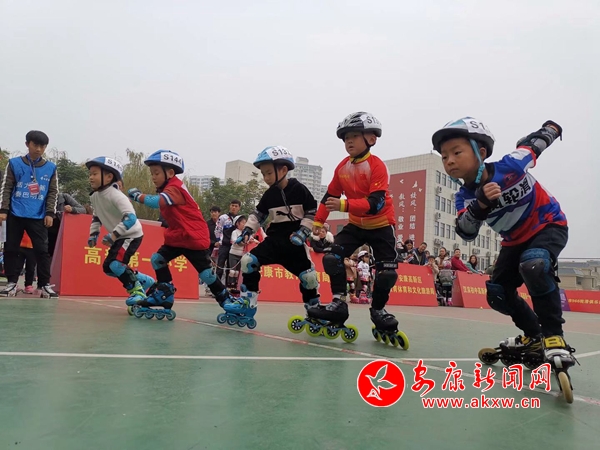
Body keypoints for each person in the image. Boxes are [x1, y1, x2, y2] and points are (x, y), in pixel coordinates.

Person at [432, 117, 575, 399]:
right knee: (497, 294)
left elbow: (533, 146)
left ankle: (553, 336)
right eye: (445, 156)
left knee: (534, 265)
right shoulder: (464, 197)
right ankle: (534, 336)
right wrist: (481, 204)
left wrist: (550, 130)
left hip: (548, 224)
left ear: (481, 152)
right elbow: (466, 231)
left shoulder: (510, 165)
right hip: (513, 240)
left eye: (457, 152)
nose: (449, 161)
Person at [308, 112, 408, 348]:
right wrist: (318, 222)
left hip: (381, 225)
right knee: (332, 258)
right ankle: (338, 304)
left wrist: (344, 205)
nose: (349, 141)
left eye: (354, 136)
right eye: (345, 138)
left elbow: (376, 203)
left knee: (388, 273)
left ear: (371, 139)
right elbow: (328, 197)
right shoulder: (342, 167)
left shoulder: (377, 166)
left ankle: (378, 310)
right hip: (356, 225)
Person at [127, 150, 235, 319]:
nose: (153, 177)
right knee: (157, 259)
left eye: (156, 173)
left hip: (193, 237)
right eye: (152, 173)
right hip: (178, 237)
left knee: (206, 273)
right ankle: (164, 293)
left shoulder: (175, 188)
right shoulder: (169, 188)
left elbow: (157, 202)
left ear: (170, 173)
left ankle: (226, 299)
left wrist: (137, 196)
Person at [225, 146, 322, 331]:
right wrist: (248, 230)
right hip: (274, 241)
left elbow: (312, 212)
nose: (266, 178)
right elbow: (258, 215)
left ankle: (314, 311)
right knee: (248, 261)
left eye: (269, 173)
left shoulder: (299, 189)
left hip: (295, 243)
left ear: (283, 170)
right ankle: (248, 303)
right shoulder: (269, 195)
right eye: (263, 174)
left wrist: (303, 231)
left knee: (309, 277)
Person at [85, 157, 155, 312]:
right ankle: (145, 281)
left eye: (94, 174)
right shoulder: (95, 196)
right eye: (90, 174)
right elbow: (97, 216)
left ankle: (137, 292)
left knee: (116, 264)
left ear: (109, 177)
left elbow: (131, 218)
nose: (90, 177)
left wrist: (113, 236)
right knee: (109, 268)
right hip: (119, 236)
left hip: (131, 234)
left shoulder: (116, 195)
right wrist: (93, 235)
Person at [0, 130, 58, 298]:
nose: (39, 149)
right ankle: (11, 284)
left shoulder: (51, 168)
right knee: (11, 249)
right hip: (15, 213)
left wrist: (50, 213)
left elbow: (53, 192)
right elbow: (6, 187)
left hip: (38, 215)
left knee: (42, 251)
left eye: (43, 146)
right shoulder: (14, 163)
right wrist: (3, 210)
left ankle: (45, 284)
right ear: (27, 144)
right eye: (35, 145)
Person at [48, 192, 86, 256]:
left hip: (62, 234)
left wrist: (72, 209)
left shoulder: (63, 197)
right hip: (45, 233)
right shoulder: (40, 199)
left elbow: (83, 210)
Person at [214, 200, 241, 283]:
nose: (234, 208)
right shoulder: (223, 217)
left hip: (234, 247)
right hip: (224, 245)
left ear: (239, 208)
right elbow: (217, 230)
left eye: (236, 206)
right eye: (232, 205)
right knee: (220, 266)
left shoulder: (240, 219)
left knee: (231, 268)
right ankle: (217, 286)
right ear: (230, 206)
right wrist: (219, 241)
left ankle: (229, 286)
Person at [227, 214, 249, 295]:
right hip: (233, 253)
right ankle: (229, 287)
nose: (244, 224)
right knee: (232, 271)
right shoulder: (234, 232)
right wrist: (242, 241)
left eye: (245, 222)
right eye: (242, 222)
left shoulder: (245, 233)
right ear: (237, 223)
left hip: (241, 255)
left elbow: (251, 240)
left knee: (237, 272)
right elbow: (234, 242)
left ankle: (234, 287)